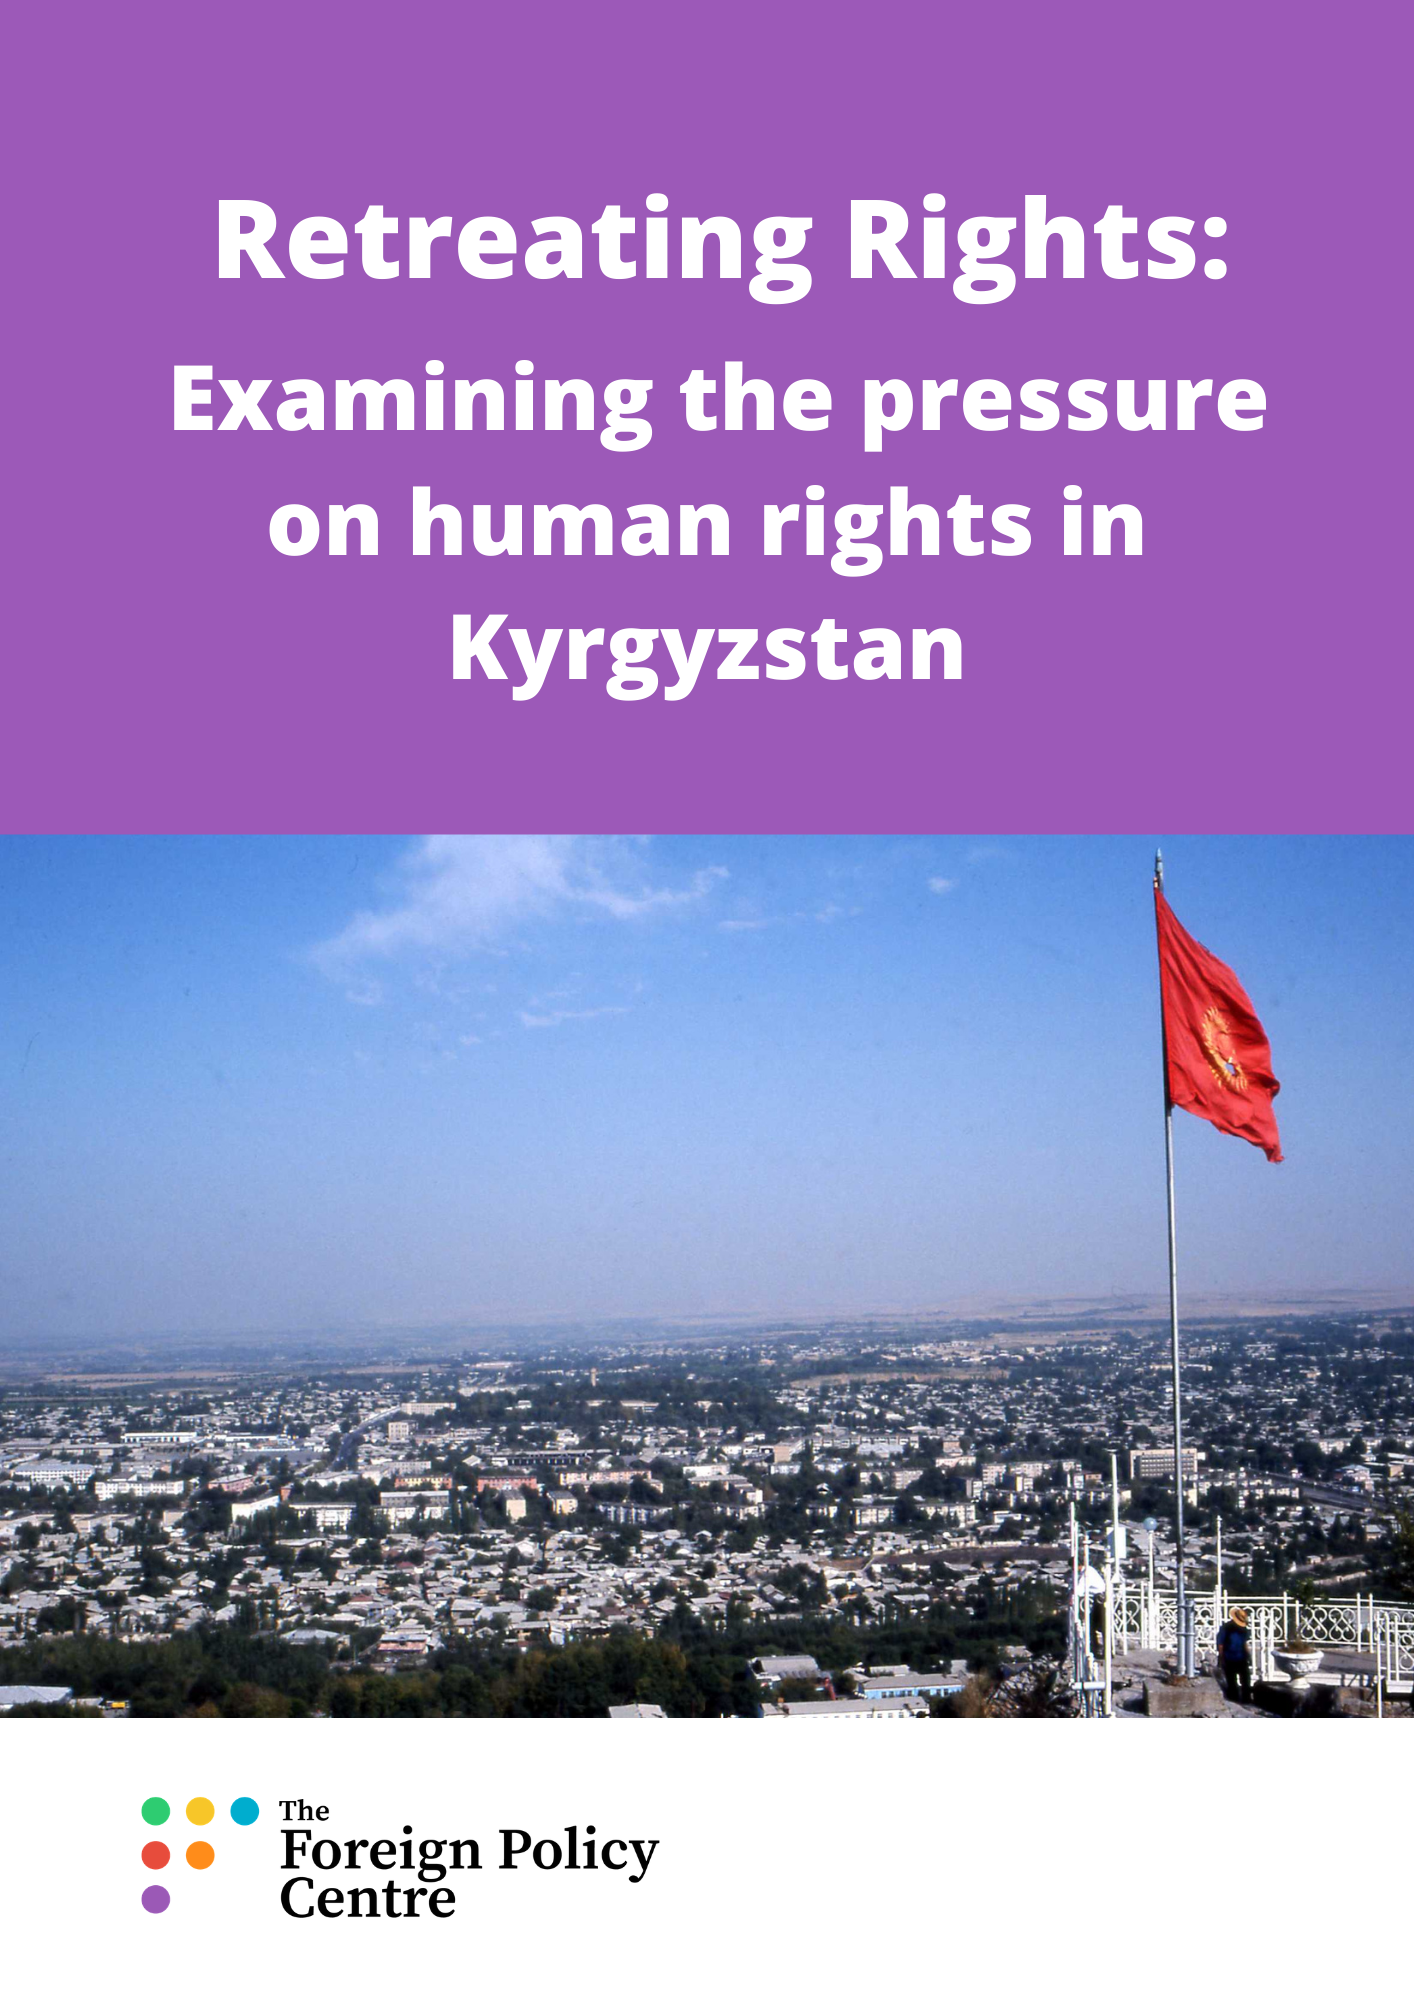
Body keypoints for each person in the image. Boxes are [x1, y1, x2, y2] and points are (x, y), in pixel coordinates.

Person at [1215, 1606, 1251, 1701]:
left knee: (1244, 1679)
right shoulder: (1226, 1628)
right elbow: (1221, 1644)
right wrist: (1222, 1657)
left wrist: (1248, 1655)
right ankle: (1236, 1698)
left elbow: (1244, 1643)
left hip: (1240, 1656)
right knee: (1232, 1680)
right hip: (1230, 1656)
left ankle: (1244, 1698)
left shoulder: (1243, 1630)